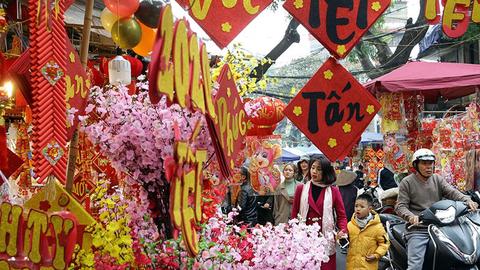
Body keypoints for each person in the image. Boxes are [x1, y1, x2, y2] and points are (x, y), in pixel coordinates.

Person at [395, 148, 478, 270]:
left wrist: (468, 200)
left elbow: (452, 192)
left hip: (440, 225)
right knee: (415, 266)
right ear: (416, 165)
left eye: (431, 163)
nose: (428, 167)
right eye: (424, 163)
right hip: (419, 228)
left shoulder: (437, 179)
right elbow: (400, 206)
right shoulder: (407, 182)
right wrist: (411, 217)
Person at [291, 154, 348, 270]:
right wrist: (293, 234)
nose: (314, 171)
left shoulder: (334, 191)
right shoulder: (301, 189)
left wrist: (342, 230)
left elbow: (342, 216)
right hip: (304, 238)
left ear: (326, 172)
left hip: (325, 239)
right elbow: (294, 215)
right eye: (313, 168)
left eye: (319, 169)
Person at [346, 193, 390, 270]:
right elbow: (344, 241)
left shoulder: (377, 227)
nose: (358, 209)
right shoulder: (350, 225)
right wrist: (340, 238)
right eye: (356, 206)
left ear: (370, 209)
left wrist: (377, 255)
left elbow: (384, 243)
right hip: (352, 266)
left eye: (362, 207)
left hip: (368, 266)